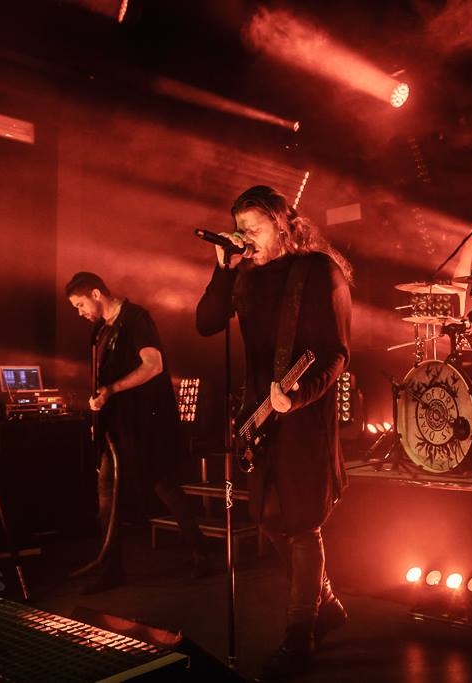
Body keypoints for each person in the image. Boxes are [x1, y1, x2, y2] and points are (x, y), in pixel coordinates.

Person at [195, 186, 353, 679]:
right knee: (267, 518)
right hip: (259, 416)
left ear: (283, 226)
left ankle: (299, 636)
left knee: (303, 524)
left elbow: (337, 352)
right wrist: (223, 268)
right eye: (240, 229)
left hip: (304, 416)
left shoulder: (319, 271)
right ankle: (327, 603)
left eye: (254, 228)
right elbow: (206, 322)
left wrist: (299, 397)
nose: (245, 238)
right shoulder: (243, 275)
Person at [66, 272, 211, 593]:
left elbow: (153, 365)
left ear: (96, 293)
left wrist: (112, 389)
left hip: (145, 423)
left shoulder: (136, 319)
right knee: (107, 491)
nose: (80, 312)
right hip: (117, 425)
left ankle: (201, 551)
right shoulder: (101, 329)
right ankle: (111, 568)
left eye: (80, 304)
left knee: (164, 486)